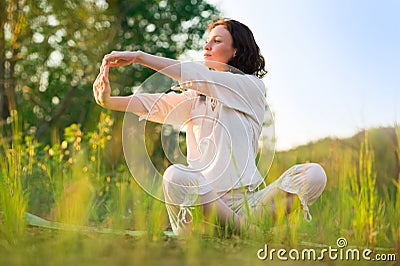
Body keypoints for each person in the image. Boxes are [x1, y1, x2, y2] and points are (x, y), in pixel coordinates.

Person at [93, 18, 327, 235]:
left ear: (236, 50)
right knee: (175, 175)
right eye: (207, 41)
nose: (207, 46)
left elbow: (199, 76)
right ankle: (247, 232)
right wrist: (108, 101)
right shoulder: (196, 98)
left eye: (217, 41)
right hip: (202, 205)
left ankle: (240, 228)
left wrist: (139, 57)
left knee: (314, 174)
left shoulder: (251, 87)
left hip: (247, 204)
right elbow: (155, 104)